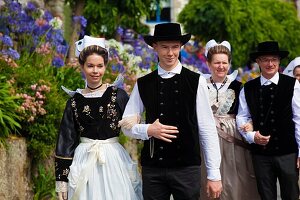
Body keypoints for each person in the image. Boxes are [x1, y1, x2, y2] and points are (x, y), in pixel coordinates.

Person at [119, 22, 222, 200]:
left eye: (175, 47)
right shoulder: (143, 84)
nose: (170, 53)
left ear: (181, 47)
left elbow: (207, 129)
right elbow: (126, 125)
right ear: (155, 47)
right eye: (165, 47)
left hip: (187, 168)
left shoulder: (196, 82)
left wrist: (214, 174)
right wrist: (147, 130)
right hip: (153, 169)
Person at [54, 35, 142, 200]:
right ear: (82, 66)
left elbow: (135, 126)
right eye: (90, 66)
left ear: (105, 66)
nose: (96, 71)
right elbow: (66, 141)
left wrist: (136, 120)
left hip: (114, 160)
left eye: (100, 66)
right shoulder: (74, 102)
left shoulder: (119, 95)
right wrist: (61, 181)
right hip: (83, 159)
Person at [236, 41, 300, 200]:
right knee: (265, 196)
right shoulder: (248, 88)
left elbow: (298, 119)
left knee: (291, 195)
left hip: (288, 153)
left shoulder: (293, 85)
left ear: (279, 61)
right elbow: (242, 117)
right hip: (261, 155)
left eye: (274, 59)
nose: (270, 63)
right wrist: (252, 137)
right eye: (265, 59)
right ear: (258, 62)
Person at [200, 39, 260, 200]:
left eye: (224, 63)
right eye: (217, 62)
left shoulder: (238, 86)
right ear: (209, 64)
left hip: (233, 139)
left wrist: (249, 124)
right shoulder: (200, 85)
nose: (221, 66)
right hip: (206, 136)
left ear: (229, 64)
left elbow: (246, 113)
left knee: (235, 181)